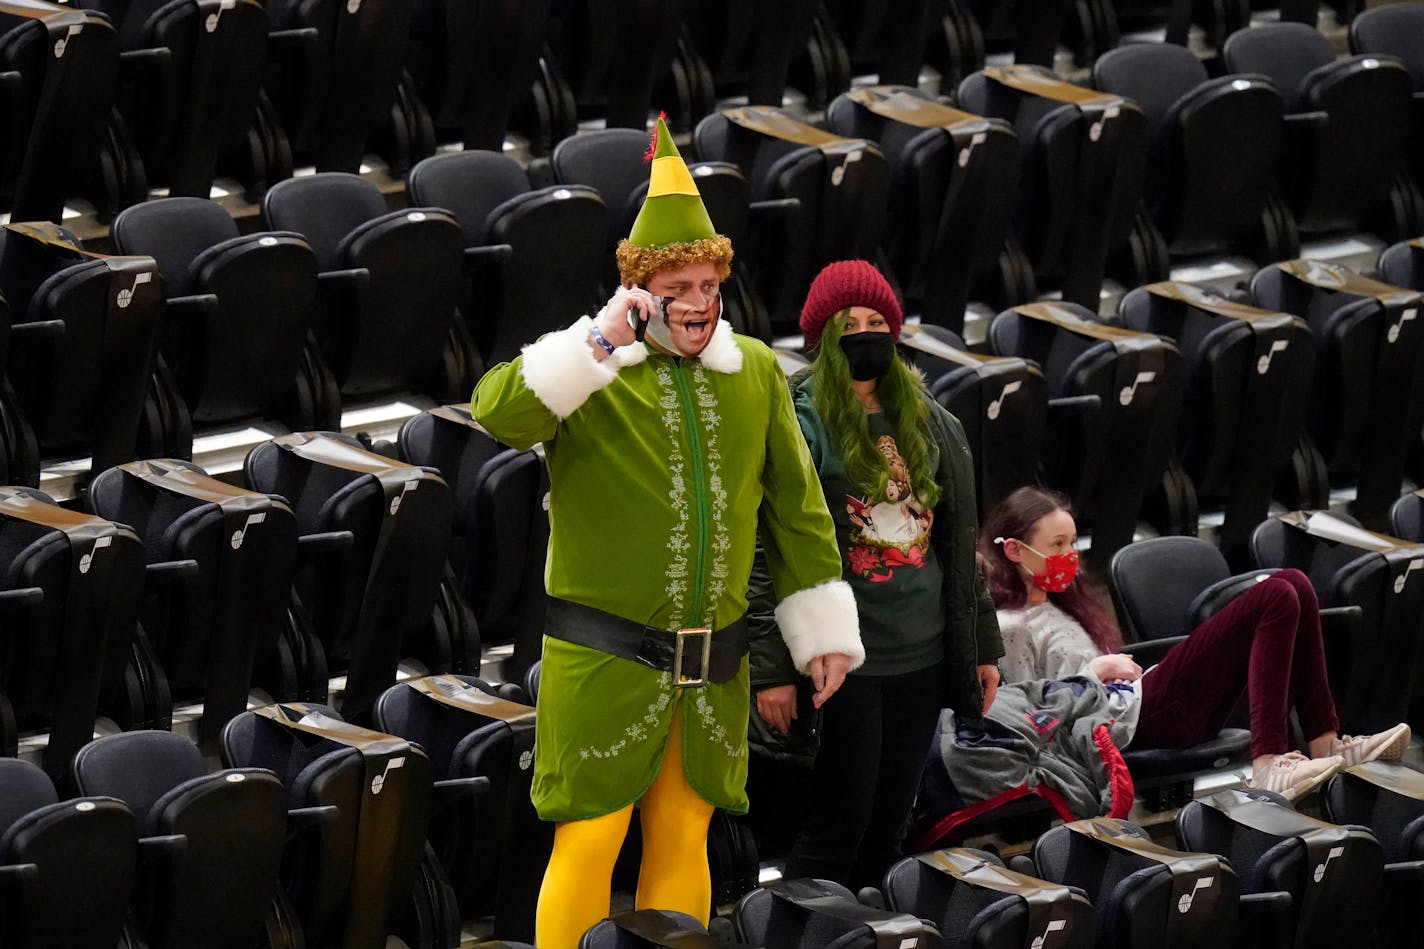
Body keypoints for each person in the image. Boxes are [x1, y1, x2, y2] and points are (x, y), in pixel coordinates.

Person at [471, 116, 863, 949]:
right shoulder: (590, 371)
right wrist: (598, 340)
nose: (696, 305)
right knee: (590, 835)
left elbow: (797, 508)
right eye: (676, 288)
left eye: (707, 286)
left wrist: (820, 630)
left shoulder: (755, 369)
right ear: (641, 291)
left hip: (713, 664)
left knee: (686, 837)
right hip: (607, 659)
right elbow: (496, 410)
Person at [749, 260, 1003, 890]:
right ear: (821, 338)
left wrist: (984, 645)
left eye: (875, 322)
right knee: (836, 827)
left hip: (922, 654)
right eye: (847, 324)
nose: (864, 334)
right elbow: (762, 551)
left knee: (890, 825)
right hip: (842, 662)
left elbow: (957, 539)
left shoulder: (931, 419)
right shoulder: (796, 418)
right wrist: (772, 668)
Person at [979, 485, 1411, 801]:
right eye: (1057, 545)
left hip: (1141, 701)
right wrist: (1095, 672)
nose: (1070, 554)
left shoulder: (1060, 606)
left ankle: (1326, 744)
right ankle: (1268, 764)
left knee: (1296, 584)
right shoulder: (1009, 625)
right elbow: (1023, 714)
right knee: (1277, 592)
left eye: (1073, 542)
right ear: (1015, 551)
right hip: (1133, 723)